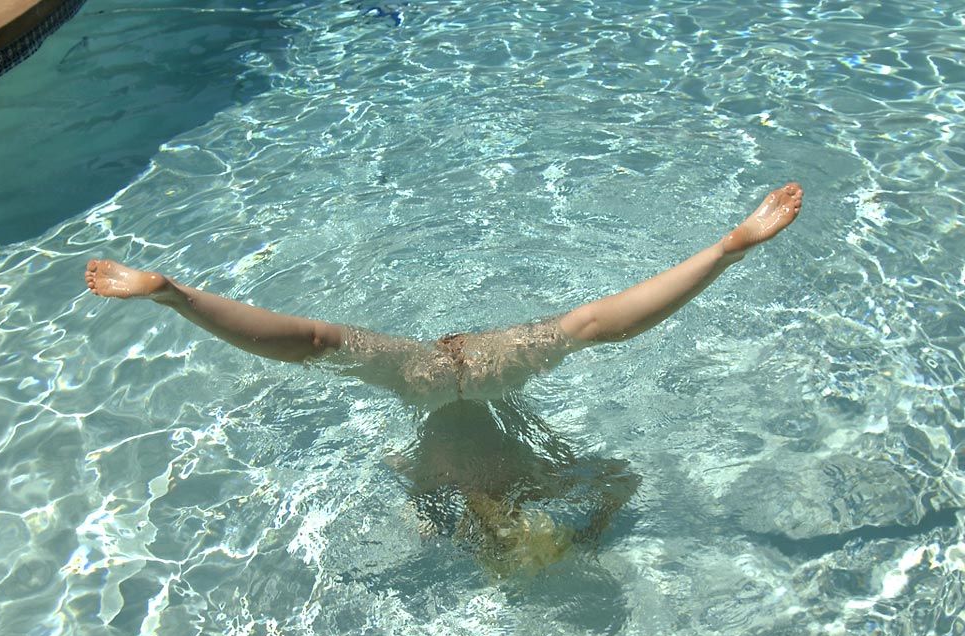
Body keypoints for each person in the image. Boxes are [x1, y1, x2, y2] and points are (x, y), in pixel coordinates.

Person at [84, 182, 803, 575]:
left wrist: (591, 530)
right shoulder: (436, 503)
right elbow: (618, 478)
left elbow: (619, 478)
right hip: (431, 383)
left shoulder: (528, 488)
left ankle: (725, 251)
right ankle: (176, 296)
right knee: (316, 343)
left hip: (478, 374)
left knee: (589, 326)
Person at [84, 183, 803, 407]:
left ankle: (179, 297)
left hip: (443, 378)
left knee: (318, 343)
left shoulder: (448, 493)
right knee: (586, 326)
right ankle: (723, 252)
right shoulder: (487, 487)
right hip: (465, 375)